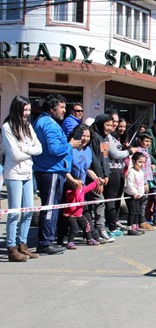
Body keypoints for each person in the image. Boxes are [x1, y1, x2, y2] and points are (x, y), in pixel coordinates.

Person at [32, 94, 82, 255]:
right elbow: (55, 149)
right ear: (52, 108)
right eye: (61, 107)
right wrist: (70, 144)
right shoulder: (49, 124)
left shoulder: (46, 122)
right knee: (50, 207)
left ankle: (48, 239)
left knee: (52, 206)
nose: (64, 111)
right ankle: (45, 242)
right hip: (50, 170)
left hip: (50, 169)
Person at [2, 95, 43, 262]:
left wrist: (25, 147)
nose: (27, 113)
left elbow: (39, 148)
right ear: (17, 109)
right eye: (25, 110)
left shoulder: (27, 126)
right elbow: (14, 154)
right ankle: (11, 247)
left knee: (28, 210)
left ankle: (22, 244)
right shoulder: (7, 127)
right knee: (14, 212)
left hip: (27, 172)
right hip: (14, 174)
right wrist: (28, 150)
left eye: (29, 110)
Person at [61, 177, 105, 249]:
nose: (82, 185)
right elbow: (74, 195)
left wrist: (97, 181)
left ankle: (89, 239)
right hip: (70, 215)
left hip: (79, 214)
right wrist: (76, 187)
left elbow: (90, 187)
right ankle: (70, 242)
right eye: (79, 184)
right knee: (74, 228)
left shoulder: (82, 190)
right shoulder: (69, 192)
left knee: (87, 226)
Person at [123, 152, 147, 235]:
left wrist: (141, 193)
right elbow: (130, 184)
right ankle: (130, 228)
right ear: (133, 161)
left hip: (138, 195)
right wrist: (134, 193)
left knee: (137, 211)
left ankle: (136, 226)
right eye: (140, 162)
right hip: (130, 194)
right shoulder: (131, 172)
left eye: (143, 162)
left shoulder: (141, 172)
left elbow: (141, 185)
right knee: (132, 212)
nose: (142, 164)